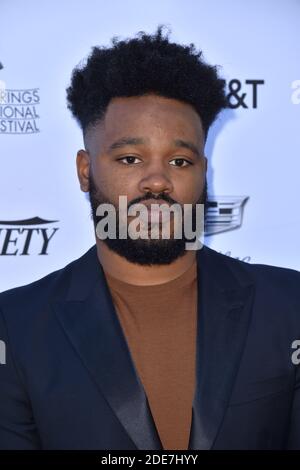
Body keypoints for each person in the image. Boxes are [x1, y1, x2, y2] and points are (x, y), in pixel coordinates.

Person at [0, 25, 299, 450]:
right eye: (130, 158)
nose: (157, 181)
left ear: (203, 171)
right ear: (86, 170)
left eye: (179, 160)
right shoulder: (15, 324)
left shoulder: (289, 305)